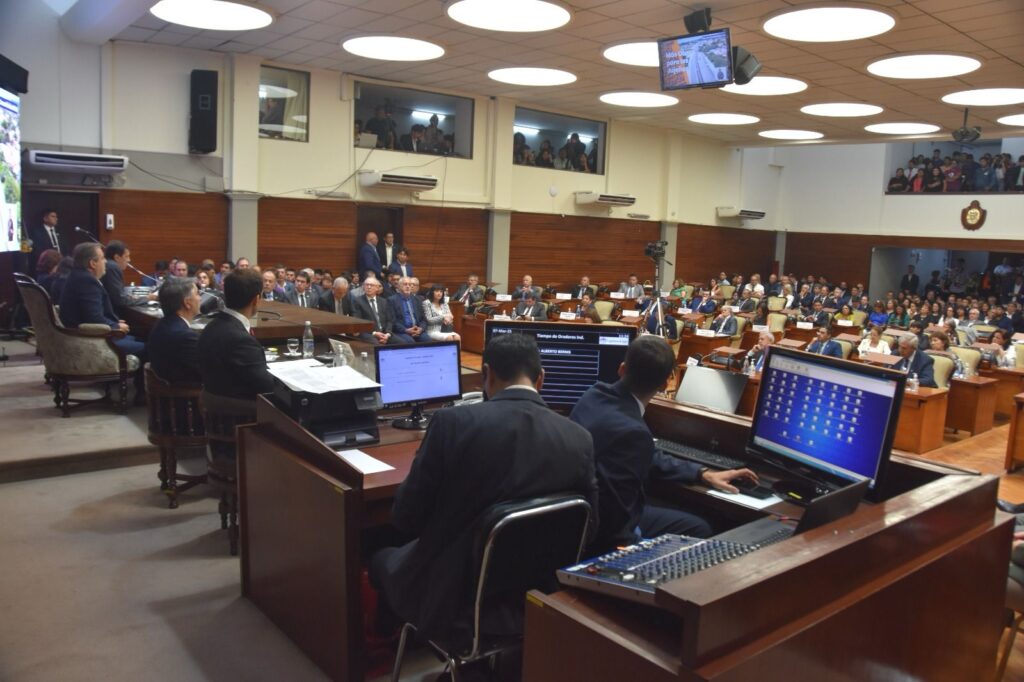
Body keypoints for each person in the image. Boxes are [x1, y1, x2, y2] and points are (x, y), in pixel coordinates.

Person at [369, 333, 597, 644]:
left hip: (453, 591)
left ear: (486, 374)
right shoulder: (580, 437)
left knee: (379, 551)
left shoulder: (453, 423)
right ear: (541, 378)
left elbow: (407, 518)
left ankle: (394, 636)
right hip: (534, 590)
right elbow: (590, 527)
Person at [570, 335, 757, 551]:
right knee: (700, 528)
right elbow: (618, 525)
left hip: (578, 519)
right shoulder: (634, 432)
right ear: (666, 383)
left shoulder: (593, 395)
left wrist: (702, 473)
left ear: (622, 369)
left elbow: (645, 455)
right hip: (600, 536)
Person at [59, 243, 147, 364]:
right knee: (149, 347)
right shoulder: (87, 281)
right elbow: (94, 318)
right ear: (92, 263)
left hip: (81, 336)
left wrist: (114, 322)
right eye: (102, 258)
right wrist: (115, 326)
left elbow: (90, 313)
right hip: (92, 340)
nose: (105, 261)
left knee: (140, 337)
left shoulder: (77, 276)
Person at [197, 269, 275, 401]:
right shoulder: (241, 339)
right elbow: (268, 387)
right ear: (256, 299)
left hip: (217, 401)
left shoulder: (212, 325)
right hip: (239, 410)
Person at [148, 277, 202, 384]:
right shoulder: (186, 337)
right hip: (183, 394)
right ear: (187, 303)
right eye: (197, 294)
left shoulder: (161, 324)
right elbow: (205, 372)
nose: (200, 298)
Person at [351, 277, 398, 345]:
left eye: (371, 285)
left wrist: (387, 334)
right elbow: (358, 322)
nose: (369, 287)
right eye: (366, 285)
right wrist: (374, 333)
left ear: (377, 288)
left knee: (402, 343)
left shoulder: (384, 301)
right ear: (363, 287)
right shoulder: (357, 301)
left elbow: (389, 320)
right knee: (377, 345)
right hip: (368, 333)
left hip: (384, 333)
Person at [389, 276, 426, 343]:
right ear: (399, 286)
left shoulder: (417, 300)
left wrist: (421, 328)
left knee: (427, 339)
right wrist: (406, 330)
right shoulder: (392, 300)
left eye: (409, 284)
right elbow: (393, 321)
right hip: (402, 331)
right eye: (405, 284)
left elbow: (423, 319)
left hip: (417, 329)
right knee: (410, 341)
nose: (408, 286)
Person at [29, 209, 61, 274]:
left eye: (56, 217)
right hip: (46, 265)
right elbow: (37, 250)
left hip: (61, 263)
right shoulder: (37, 232)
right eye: (53, 216)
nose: (56, 219)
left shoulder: (60, 231)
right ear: (45, 218)